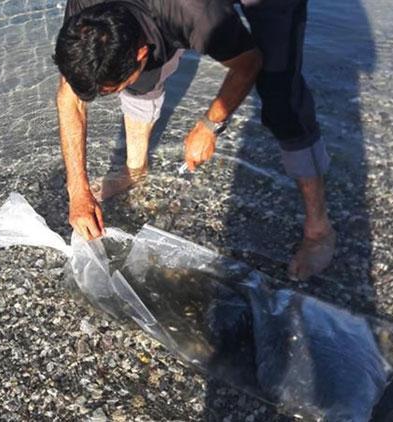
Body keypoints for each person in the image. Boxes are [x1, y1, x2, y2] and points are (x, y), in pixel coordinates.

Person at [53, 0, 336, 281]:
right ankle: (134, 172)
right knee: (138, 81)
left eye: (111, 91)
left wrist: (210, 124)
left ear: (141, 52)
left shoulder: (196, 14)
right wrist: (78, 190)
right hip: (164, 19)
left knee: (280, 97)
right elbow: (70, 96)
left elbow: (248, 63)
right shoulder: (84, 16)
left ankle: (319, 229)